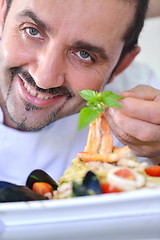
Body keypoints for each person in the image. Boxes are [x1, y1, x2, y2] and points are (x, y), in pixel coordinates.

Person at [0, 0, 160, 185]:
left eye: (84, 54)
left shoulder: (144, 105)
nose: (44, 78)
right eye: (32, 31)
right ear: (2, 15)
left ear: (121, 65)